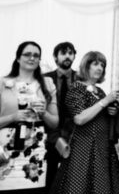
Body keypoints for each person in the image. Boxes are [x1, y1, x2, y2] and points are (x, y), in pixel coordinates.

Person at [0, 41, 59, 194]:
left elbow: (55, 122)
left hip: (35, 154)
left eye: (36, 55)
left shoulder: (47, 84)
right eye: (27, 54)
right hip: (5, 153)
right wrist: (13, 117)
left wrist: (44, 113)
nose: (32, 58)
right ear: (18, 58)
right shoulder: (2, 83)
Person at [50, 51, 119, 194]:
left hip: (103, 148)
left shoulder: (100, 91)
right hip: (83, 149)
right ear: (86, 66)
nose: (100, 68)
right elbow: (79, 119)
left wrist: (111, 112)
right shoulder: (76, 88)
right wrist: (105, 102)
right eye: (95, 64)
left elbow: (99, 115)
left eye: (102, 65)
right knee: (79, 187)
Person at [43, 41, 77, 193]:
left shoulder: (81, 78)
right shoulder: (44, 79)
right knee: (48, 178)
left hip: (74, 136)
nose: (67, 56)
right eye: (63, 53)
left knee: (72, 179)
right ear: (55, 57)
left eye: (70, 53)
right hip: (49, 135)